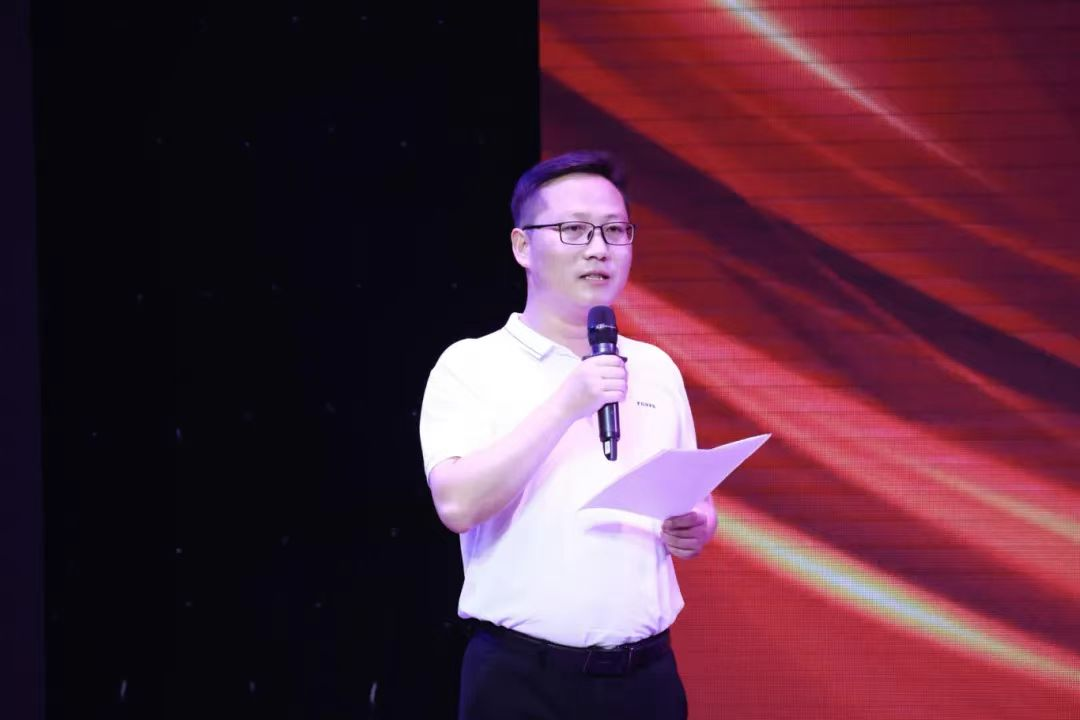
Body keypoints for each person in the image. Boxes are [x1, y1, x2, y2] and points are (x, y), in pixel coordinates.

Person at [419, 150, 715, 720]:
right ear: (522, 246)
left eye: (614, 230)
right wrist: (567, 403)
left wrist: (697, 523)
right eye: (574, 230)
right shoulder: (471, 365)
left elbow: (692, 495)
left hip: (645, 678)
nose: (598, 248)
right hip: (522, 681)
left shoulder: (655, 368)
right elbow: (457, 504)